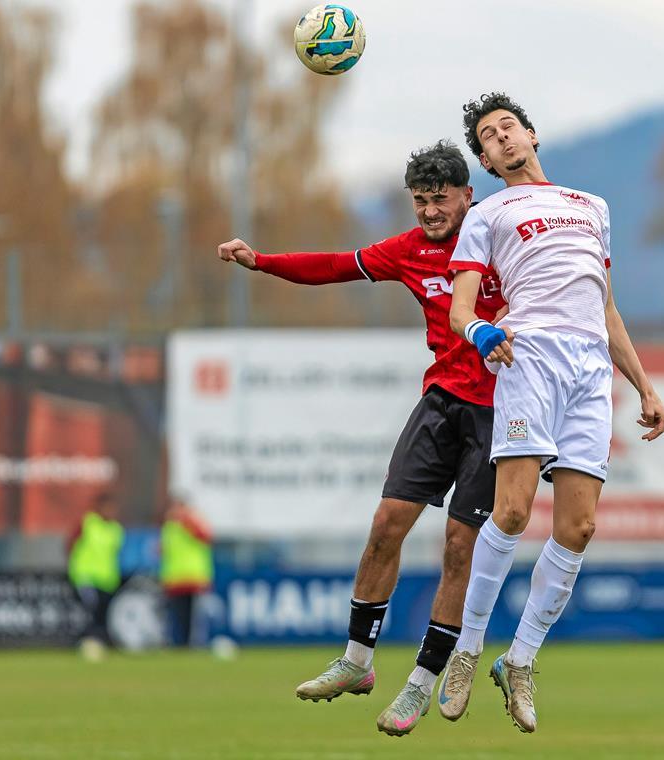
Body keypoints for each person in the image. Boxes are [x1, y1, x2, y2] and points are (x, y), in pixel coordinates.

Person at [217, 140, 506, 736]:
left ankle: (421, 686)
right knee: (384, 528)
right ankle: (356, 663)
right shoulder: (407, 251)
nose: (429, 212)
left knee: (458, 548)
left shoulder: (498, 237)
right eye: (420, 201)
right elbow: (333, 266)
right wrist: (261, 261)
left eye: (440, 199)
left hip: (500, 414)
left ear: (467, 196)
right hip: (441, 404)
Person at [437, 93, 664, 733]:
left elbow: (605, 306)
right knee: (511, 512)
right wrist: (482, 334)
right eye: (488, 136)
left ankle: (520, 661)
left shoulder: (591, 207)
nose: (502, 139)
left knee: (579, 527)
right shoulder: (488, 215)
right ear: (485, 159)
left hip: (591, 372)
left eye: (508, 127)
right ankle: (466, 650)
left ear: (532, 135)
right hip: (529, 361)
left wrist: (644, 385)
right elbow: (461, 312)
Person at [66, 491, 125, 661]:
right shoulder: (87, 523)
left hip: (107, 580)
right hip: (86, 578)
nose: (111, 512)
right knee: (90, 610)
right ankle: (88, 644)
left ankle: (98, 644)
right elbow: (70, 545)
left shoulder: (116, 529)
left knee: (102, 614)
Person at [160, 495, 214, 647]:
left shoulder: (195, 522)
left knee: (194, 619)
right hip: (175, 580)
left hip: (194, 578)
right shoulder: (170, 527)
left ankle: (194, 646)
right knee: (177, 618)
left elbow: (206, 537)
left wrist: (187, 521)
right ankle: (178, 646)